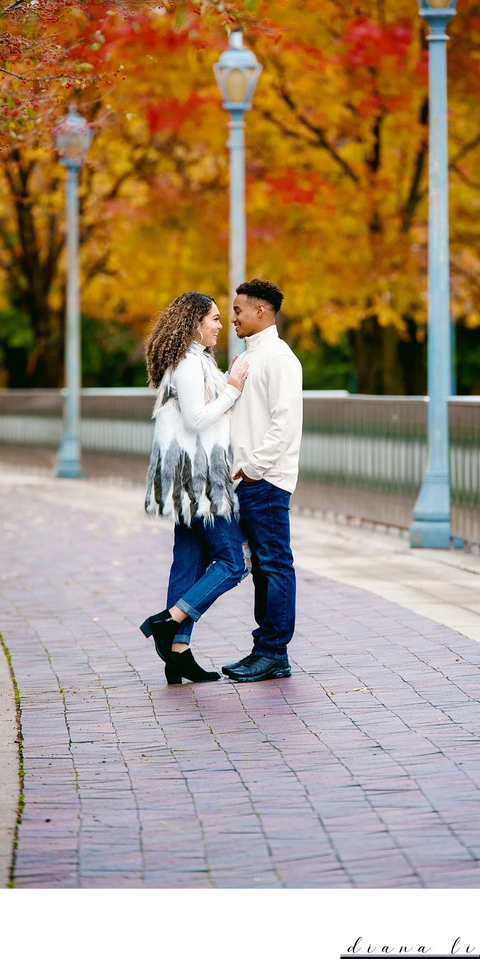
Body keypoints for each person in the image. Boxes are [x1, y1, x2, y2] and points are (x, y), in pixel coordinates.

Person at [141, 291, 249, 684]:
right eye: (215, 318)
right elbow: (198, 418)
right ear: (195, 323)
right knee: (234, 562)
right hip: (198, 479)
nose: (221, 325)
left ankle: (178, 655)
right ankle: (168, 622)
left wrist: (227, 384)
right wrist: (233, 388)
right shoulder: (188, 362)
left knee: (187, 563)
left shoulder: (196, 360)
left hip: (189, 474)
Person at [221, 278, 303, 683]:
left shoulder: (279, 358)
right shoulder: (243, 358)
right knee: (261, 568)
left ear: (261, 312)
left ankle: (273, 653)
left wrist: (252, 469)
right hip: (246, 480)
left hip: (267, 480)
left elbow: (284, 425)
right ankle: (264, 650)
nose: (232, 317)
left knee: (273, 564)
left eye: (238, 310)